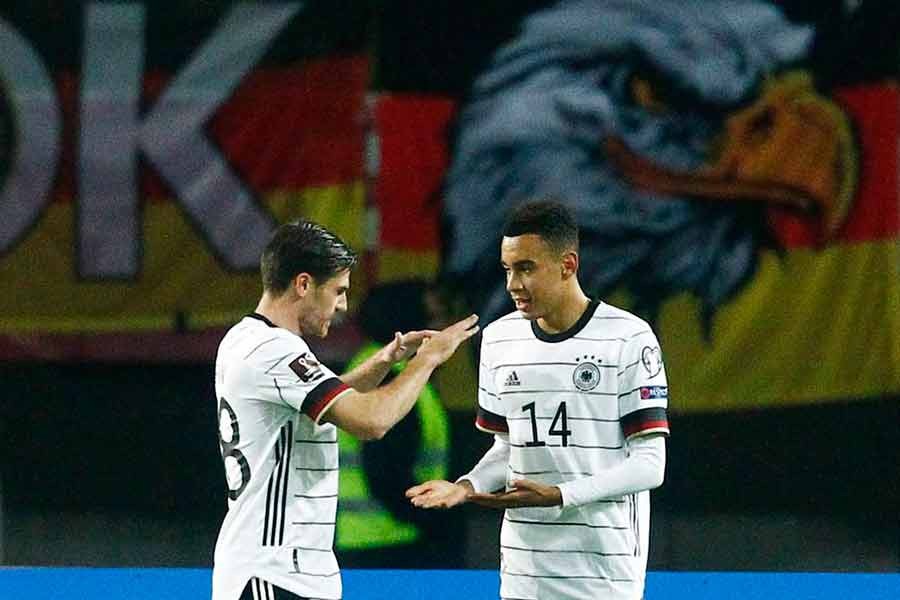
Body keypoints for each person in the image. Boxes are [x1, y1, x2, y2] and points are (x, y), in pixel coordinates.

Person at [407, 201, 670, 600]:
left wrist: (561, 495)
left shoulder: (629, 338)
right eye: (507, 269)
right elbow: (507, 447)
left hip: (602, 573)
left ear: (568, 265)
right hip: (523, 571)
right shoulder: (498, 338)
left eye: (526, 268)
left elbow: (650, 466)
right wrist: (467, 485)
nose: (513, 284)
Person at [212, 219, 478, 600]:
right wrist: (427, 360)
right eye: (338, 291)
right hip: (274, 574)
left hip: (285, 571)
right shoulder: (274, 352)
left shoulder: (246, 340)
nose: (342, 306)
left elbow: (326, 402)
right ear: (303, 284)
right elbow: (371, 422)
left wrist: (384, 362)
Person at [335, 279, 455, 568]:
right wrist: (437, 523)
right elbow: (386, 474)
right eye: (433, 316)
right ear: (410, 323)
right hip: (394, 546)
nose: (443, 326)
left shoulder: (367, 368)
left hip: (367, 543)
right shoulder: (396, 383)